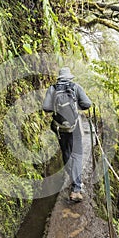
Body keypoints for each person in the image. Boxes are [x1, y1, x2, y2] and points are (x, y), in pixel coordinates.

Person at [43, 67, 92, 202]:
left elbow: (46, 108)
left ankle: (73, 177)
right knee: (76, 155)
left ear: (59, 78)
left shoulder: (53, 89)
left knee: (66, 153)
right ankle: (76, 189)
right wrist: (76, 107)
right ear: (70, 78)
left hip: (59, 128)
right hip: (74, 126)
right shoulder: (76, 87)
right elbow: (88, 103)